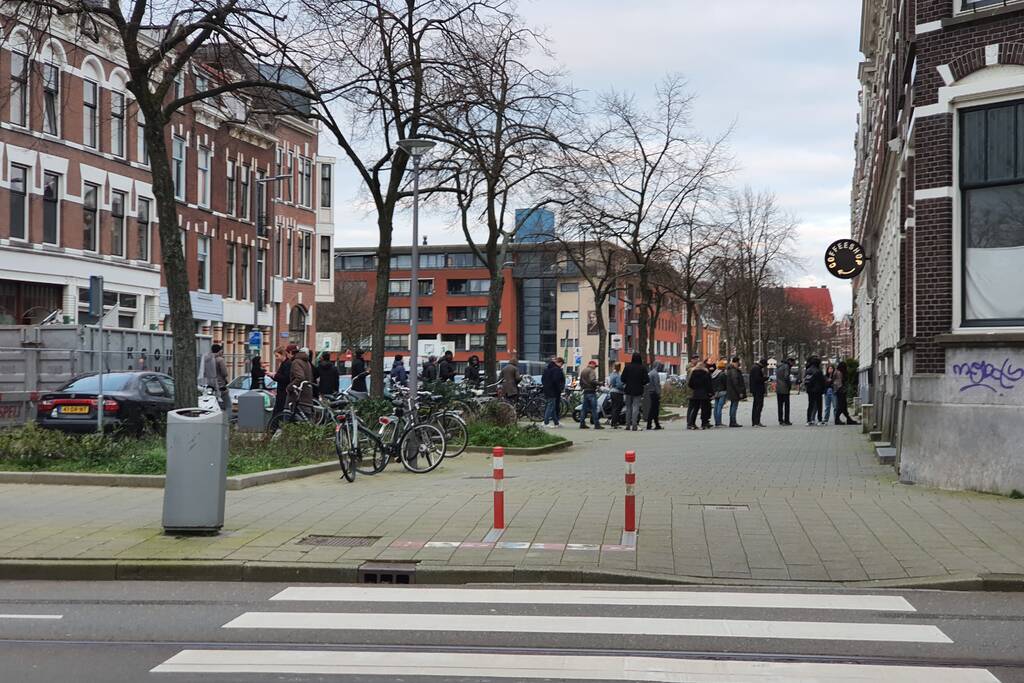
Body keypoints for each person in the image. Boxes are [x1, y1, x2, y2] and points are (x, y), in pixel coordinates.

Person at [620, 352, 649, 431]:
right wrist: (641, 383)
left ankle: (627, 425)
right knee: (635, 407)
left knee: (628, 407)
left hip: (628, 389)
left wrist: (627, 382)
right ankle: (634, 425)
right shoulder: (642, 368)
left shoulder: (627, 367)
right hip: (638, 390)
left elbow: (622, 378)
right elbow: (647, 380)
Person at [201, 343, 230, 410]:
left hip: (209, 384)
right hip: (220, 384)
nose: (222, 352)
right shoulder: (220, 360)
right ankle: (225, 417)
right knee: (227, 403)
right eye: (221, 351)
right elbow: (224, 373)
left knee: (212, 402)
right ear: (219, 351)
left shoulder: (207, 359)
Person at [686, 356, 712, 430]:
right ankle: (704, 423)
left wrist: (694, 388)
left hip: (696, 393)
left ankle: (692, 423)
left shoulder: (693, 373)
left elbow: (690, 383)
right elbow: (709, 384)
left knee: (695, 409)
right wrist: (710, 392)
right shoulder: (706, 373)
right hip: (704, 393)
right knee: (704, 409)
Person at [578, 359, 603, 430]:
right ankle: (596, 424)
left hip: (585, 391)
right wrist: (599, 383)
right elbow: (592, 381)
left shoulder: (583, 371)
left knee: (584, 409)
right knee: (594, 409)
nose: (595, 367)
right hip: (591, 391)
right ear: (592, 365)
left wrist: (583, 387)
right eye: (595, 366)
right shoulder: (592, 371)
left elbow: (580, 382)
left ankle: (582, 423)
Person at [541, 356, 566, 427]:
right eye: (561, 364)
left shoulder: (547, 369)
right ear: (560, 363)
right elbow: (557, 381)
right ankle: (546, 422)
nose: (561, 366)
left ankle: (556, 422)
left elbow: (543, 379)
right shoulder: (556, 370)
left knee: (552, 406)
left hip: (547, 389)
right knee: (551, 406)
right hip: (553, 391)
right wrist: (560, 388)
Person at [833, 361, 859, 425]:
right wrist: (843, 389)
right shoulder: (839, 373)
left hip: (839, 391)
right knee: (841, 406)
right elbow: (839, 383)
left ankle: (849, 420)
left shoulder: (837, 371)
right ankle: (837, 420)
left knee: (843, 407)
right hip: (840, 391)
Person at [804, 356, 827, 426]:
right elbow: (822, 381)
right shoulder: (818, 371)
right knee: (819, 405)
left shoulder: (808, 370)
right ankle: (819, 420)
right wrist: (824, 389)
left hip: (810, 390)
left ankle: (808, 420)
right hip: (818, 390)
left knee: (810, 405)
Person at [270, 346, 292, 416]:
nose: (276, 358)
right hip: (282, 390)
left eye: (277, 356)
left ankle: (274, 426)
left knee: (279, 410)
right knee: (278, 409)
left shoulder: (287, 364)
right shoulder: (284, 363)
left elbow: (285, 378)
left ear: (282, 354)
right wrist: (273, 375)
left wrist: (274, 375)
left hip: (283, 391)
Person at [726, 356, 746, 428]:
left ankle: (732, 421)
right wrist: (740, 392)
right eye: (738, 362)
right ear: (736, 362)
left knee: (733, 406)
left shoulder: (730, 370)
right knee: (734, 406)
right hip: (734, 391)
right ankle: (733, 421)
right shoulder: (734, 371)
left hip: (731, 391)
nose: (739, 364)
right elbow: (736, 382)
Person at [749, 358, 767, 428]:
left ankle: (755, 421)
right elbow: (757, 379)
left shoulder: (755, 367)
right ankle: (756, 422)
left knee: (756, 405)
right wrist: (765, 378)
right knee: (758, 405)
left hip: (755, 389)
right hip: (758, 390)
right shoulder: (757, 369)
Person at [645, 361, 663, 430]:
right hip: (655, 393)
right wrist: (659, 393)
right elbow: (656, 384)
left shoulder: (650, 373)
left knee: (654, 409)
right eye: (659, 366)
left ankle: (656, 424)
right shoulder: (655, 374)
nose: (660, 367)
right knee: (654, 409)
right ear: (657, 366)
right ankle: (649, 424)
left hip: (651, 392)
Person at [775, 357, 793, 425]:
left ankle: (780, 420)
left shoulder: (778, 367)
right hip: (785, 388)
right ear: (790, 362)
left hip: (778, 388)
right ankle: (786, 420)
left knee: (780, 405)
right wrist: (789, 385)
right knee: (786, 405)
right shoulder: (786, 367)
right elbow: (786, 377)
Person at [711, 359, 728, 427]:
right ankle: (719, 422)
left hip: (715, 392)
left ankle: (716, 422)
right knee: (719, 407)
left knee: (716, 407)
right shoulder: (722, 374)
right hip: (722, 392)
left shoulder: (714, 374)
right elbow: (725, 383)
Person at [607, 362, 624, 429]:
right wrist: (624, 387)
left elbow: (610, 383)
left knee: (614, 407)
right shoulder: (618, 375)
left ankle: (613, 422)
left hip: (612, 391)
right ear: (619, 367)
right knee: (617, 408)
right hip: (618, 392)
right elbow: (619, 385)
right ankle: (615, 422)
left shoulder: (612, 374)